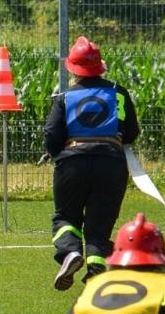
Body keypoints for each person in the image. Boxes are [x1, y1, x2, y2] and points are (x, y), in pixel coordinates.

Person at [43, 36, 141, 291]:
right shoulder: (118, 93)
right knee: (100, 224)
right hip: (111, 163)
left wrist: (56, 154)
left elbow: (51, 134)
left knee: (66, 216)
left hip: (72, 163)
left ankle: (70, 253)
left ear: (73, 69)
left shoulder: (64, 97)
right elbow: (131, 132)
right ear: (100, 67)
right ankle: (96, 267)